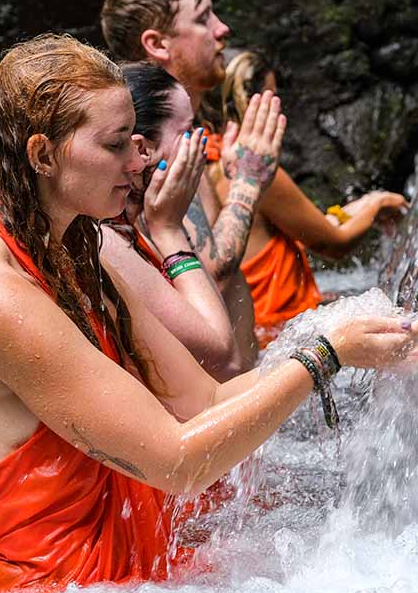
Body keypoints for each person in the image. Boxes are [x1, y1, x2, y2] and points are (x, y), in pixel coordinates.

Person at [0, 34, 418, 593]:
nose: (140, 159)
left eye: (137, 140)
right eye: (116, 144)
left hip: (127, 579)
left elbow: (203, 403)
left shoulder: (78, 246)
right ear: (42, 155)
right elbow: (180, 463)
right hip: (48, 592)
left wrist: (345, 337)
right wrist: (326, 354)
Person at [101, 0, 269, 363]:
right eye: (203, 18)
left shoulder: (180, 135)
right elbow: (209, 274)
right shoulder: (157, 147)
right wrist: (247, 182)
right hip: (214, 405)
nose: (222, 29)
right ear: (157, 44)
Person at [203, 51, 409, 345]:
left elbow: (309, 226)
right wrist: (377, 204)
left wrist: (358, 207)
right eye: (273, 97)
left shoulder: (208, 161)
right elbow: (333, 244)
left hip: (251, 336)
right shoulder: (254, 172)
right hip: (279, 337)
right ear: (254, 105)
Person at [99, 62, 284, 380]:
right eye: (188, 131)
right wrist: (247, 183)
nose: (199, 143)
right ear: (142, 148)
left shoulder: (151, 205)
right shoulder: (110, 237)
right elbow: (212, 281)